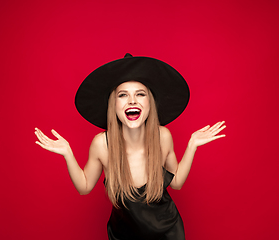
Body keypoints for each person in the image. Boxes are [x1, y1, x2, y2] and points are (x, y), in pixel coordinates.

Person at [34, 53, 226, 240]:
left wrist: (192, 145)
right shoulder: (102, 144)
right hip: (123, 233)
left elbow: (176, 182)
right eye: (123, 95)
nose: (132, 100)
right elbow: (84, 187)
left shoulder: (163, 136)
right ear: (113, 105)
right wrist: (67, 153)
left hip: (167, 231)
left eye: (140, 94)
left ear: (150, 103)